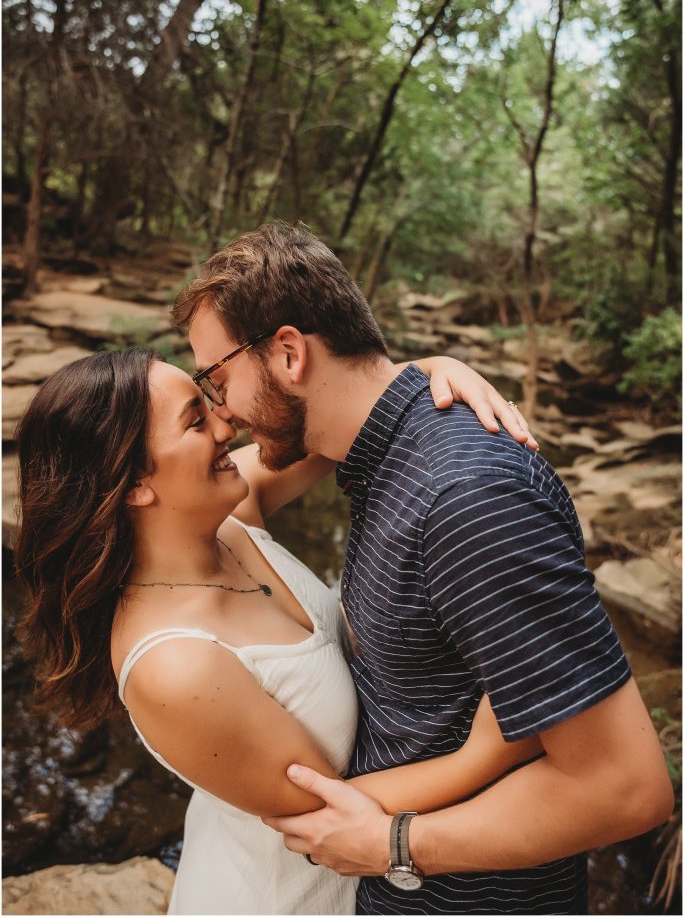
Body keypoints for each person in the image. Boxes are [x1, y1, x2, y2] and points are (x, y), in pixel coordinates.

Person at [172, 221, 674, 916]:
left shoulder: (467, 499)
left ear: (289, 353)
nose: (219, 412)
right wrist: (425, 363)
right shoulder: (380, 457)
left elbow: (626, 787)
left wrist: (397, 844)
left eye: (216, 379)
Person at [16, 347, 540, 916]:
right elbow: (319, 814)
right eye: (196, 419)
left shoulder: (230, 516)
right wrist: (491, 750)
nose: (227, 424)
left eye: (210, 400)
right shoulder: (177, 666)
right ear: (134, 485)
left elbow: (347, 421)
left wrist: (429, 370)